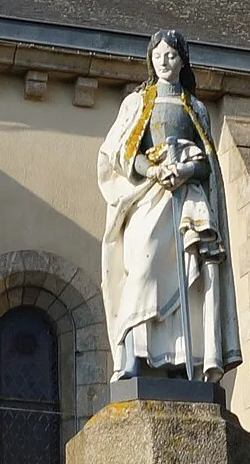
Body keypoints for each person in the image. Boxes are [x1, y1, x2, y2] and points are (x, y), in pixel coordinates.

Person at [96, 29, 241, 383]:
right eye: (158, 55)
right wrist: (155, 169)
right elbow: (121, 152)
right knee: (141, 268)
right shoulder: (137, 102)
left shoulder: (196, 108)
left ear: (182, 61)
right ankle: (131, 356)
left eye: (172, 55)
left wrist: (186, 169)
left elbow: (209, 163)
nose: (164, 61)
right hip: (148, 196)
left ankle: (181, 361)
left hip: (187, 201)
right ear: (150, 59)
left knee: (193, 278)